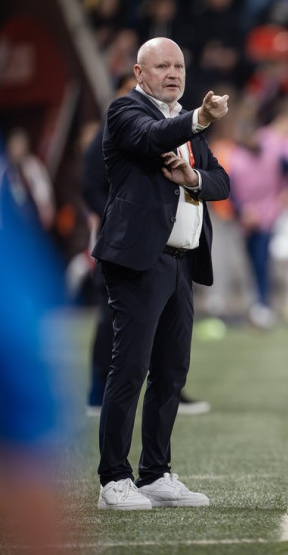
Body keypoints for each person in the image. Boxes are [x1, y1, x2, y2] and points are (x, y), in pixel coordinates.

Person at [91, 37, 231, 510]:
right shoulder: (125, 111)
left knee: (171, 372)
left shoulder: (184, 124)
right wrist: (199, 120)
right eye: (162, 66)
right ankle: (114, 477)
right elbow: (154, 138)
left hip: (180, 262)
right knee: (130, 368)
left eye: (179, 66)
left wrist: (192, 179)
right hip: (138, 262)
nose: (173, 73)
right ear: (139, 72)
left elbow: (221, 182)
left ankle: (155, 473)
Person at [81, 74, 211, 416]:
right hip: (124, 241)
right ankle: (97, 392)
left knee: (166, 332)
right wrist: (116, 217)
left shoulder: (172, 123)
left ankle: (170, 393)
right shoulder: (121, 117)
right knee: (112, 320)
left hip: (162, 243)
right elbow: (89, 184)